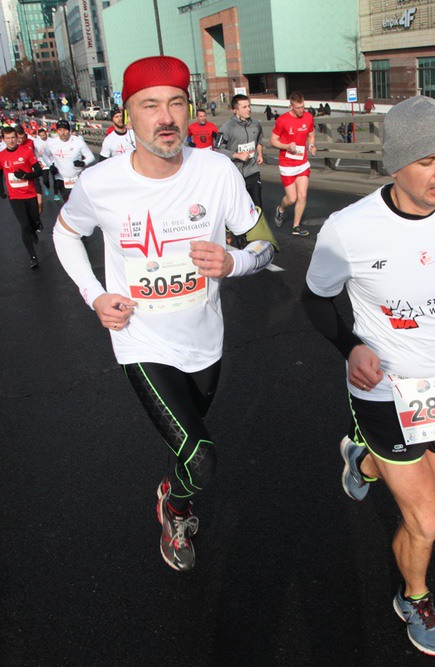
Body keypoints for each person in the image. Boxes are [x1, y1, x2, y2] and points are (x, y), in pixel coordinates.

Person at [51, 55, 279, 572]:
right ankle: (175, 509)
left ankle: (172, 489)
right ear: (127, 114)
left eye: (176, 103)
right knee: (201, 457)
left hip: (205, 340)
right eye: (150, 105)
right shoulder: (100, 183)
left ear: (189, 109)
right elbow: (65, 234)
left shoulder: (216, 171)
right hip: (141, 339)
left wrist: (236, 261)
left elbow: (264, 242)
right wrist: (94, 295)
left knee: (187, 447)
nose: (166, 117)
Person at [302, 95, 435, 656]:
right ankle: (414, 597)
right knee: (425, 522)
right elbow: (316, 299)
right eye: (427, 160)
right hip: (382, 388)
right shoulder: (349, 229)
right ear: (396, 164)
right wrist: (350, 347)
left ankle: (362, 458)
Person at [0, 126, 44, 269]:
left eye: (13, 138)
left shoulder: (26, 152)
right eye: (7, 138)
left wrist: (26, 176)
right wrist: (0, 189)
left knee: (34, 221)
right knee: (24, 225)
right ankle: (32, 257)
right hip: (15, 196)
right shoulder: (0, 156)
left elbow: (39, 171)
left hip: (30, 193)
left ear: (17, 138)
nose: (11, 141)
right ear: (3, 140)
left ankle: (35, 227)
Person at [270, 92, 316, 236]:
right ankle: (281, 209)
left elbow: (311, 135)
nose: (301, 110)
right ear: (291, 106)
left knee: (302, 196)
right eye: (298, 108)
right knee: (292, 198)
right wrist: (287, 146)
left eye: (303, 107)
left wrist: (311, 146)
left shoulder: (308, 117)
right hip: (287, 164)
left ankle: (296, 226)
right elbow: (273, 141)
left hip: (302, 163)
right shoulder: (282, 120)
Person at [214, 93, 265, 208]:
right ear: (235, 110)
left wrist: (260, 154)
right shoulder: (228, 127)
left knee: (258, 207)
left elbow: (259, 140)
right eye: (244, 107)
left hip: (252, 171)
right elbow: (217, 149)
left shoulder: (256, 124)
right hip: (235, 173)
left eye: (249, 106)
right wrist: (237, 155)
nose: (248, 109)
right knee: (240, 208)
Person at [45, 119, 96, 202]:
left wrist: (83, 162)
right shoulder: (51, 143)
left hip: (77, 177)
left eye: (65, 130)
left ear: (69, 130)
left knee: (80, 202)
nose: (62, 132)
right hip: (61, 178)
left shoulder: (78, 141)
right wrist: (50, 165)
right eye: (60, 130)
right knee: (68, 203)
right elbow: (45, 155)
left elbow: (91, 157)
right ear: (57, 131)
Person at [32, 127, 54, 198]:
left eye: (44, 135)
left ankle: (56, 194)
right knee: (45, 179)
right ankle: (47, 187)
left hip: (52, 161)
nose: (43, 137)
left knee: (55, 179)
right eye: (41, 135)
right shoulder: (36, 142)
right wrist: (38, 158)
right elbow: (34, 151)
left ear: (46, 134)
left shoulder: (51, 141)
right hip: (43, 162)